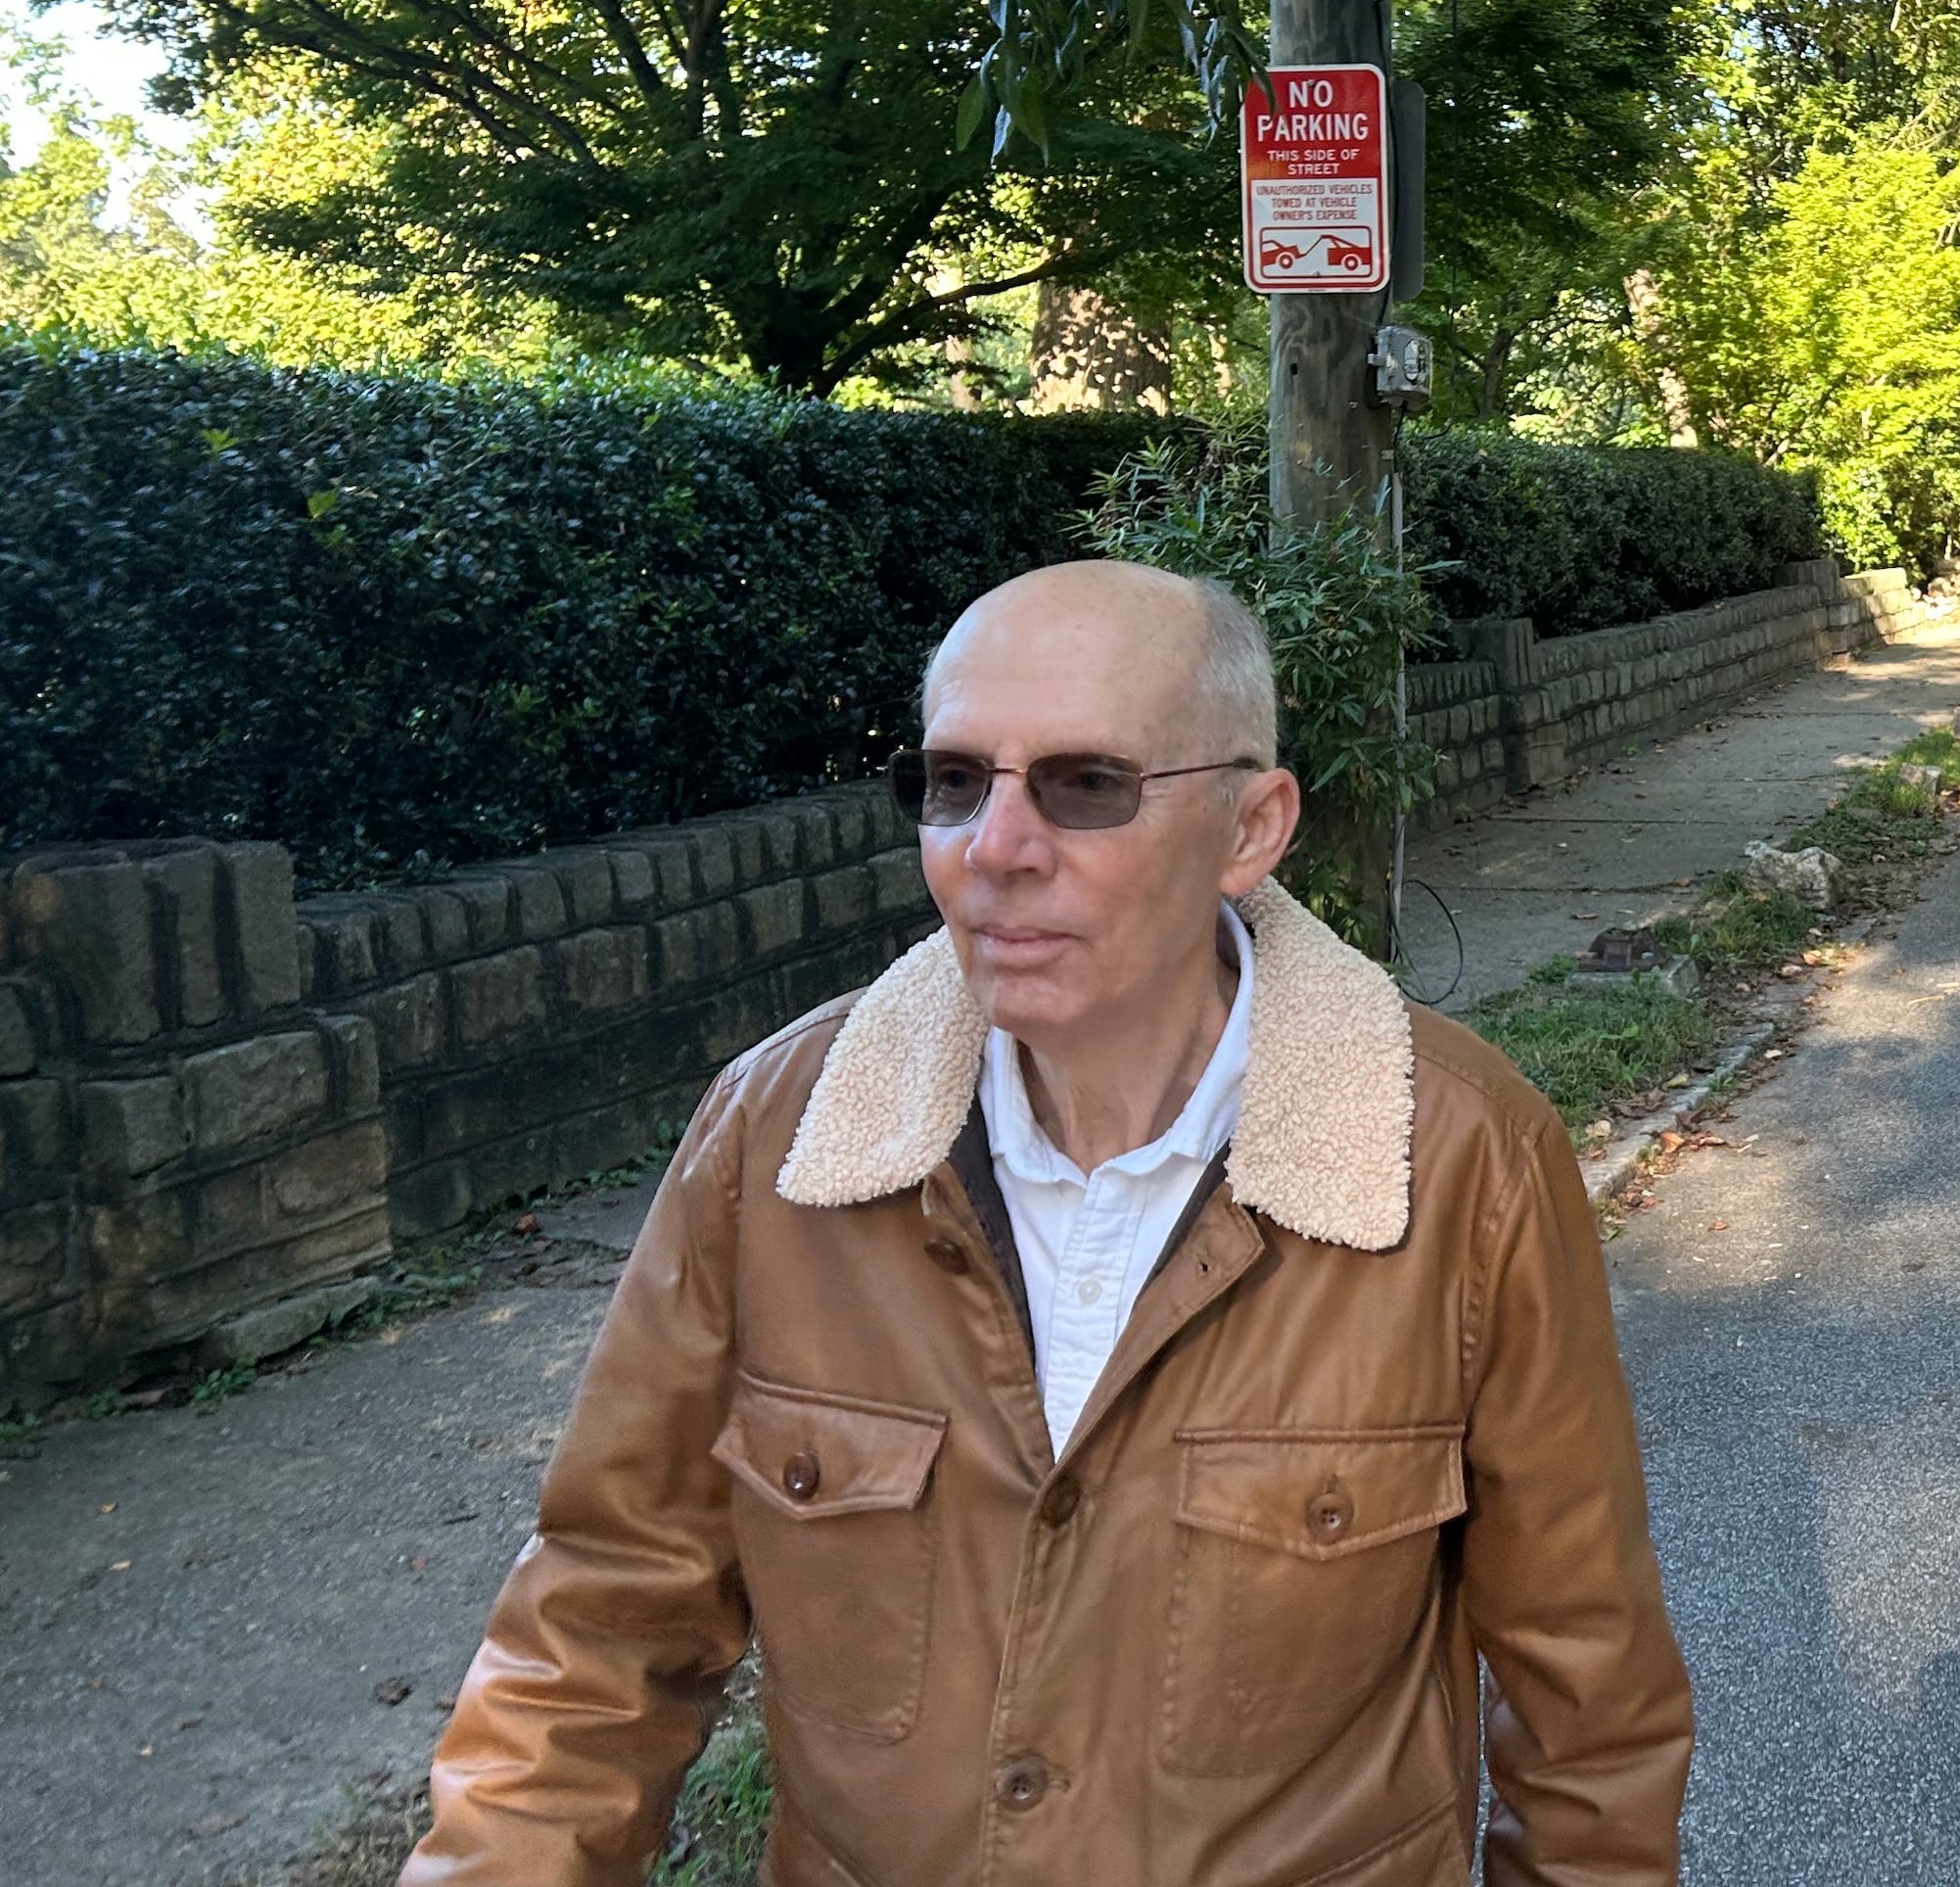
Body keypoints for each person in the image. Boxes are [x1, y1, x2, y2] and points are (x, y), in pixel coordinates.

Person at [401, 560, 1693, 1887]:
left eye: (1087, 785)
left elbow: (1586, 1696)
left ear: (1253, 828)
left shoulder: (1461, 1159)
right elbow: (597, 1625)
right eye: (954, 783)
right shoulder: (774, 1139)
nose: (995, 848)